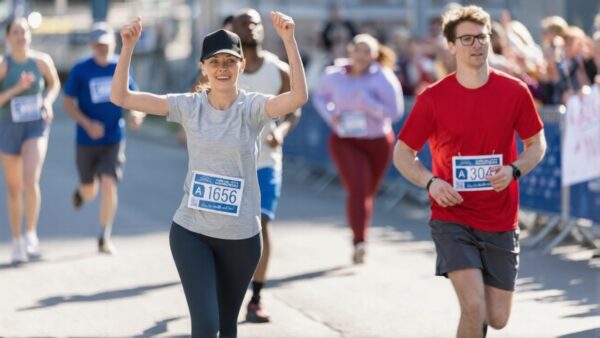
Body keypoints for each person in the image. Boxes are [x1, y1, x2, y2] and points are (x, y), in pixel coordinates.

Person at [110, 12, 307, 337]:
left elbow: (298, 98)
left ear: (240, 66)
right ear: (203, 68)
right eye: (214, 62)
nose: (222, 69)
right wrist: (127, 47)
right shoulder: (189, 106)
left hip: (242, 238)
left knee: (227, 328)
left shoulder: (252, 107)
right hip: (192, 232)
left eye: (229, 62)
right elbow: (122, 97)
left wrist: (289, 40)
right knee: (206, 325)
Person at [393, 5, 546, 338]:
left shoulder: (514, 91)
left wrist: (514, 170)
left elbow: (536, 144)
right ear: (451, 46)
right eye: (466, 39)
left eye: (482, 37)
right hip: (452, 216)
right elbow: (403, 154)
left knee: (497, 316)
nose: (476, 45)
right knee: (473, 307)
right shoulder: (433, 98)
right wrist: (430, 182)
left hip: (501, 219)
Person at [231, 8, 302, 323]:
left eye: (255, 23)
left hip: (266, 162)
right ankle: (228, 289)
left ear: (263, 29)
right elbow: (197, 100)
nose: (250, 28)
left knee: (261, 225)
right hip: (229, 164)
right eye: (243, 24)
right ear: (232, 29)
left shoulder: (278, 69)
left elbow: (295, 107)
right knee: (230, 231)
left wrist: (282, 131)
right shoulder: (223, 68)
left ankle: (256, 298)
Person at [313, 33, 404, 264]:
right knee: (358, 189)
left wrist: (369, 104)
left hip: (377, 141)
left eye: (367, 51)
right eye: (358, 50)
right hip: (345, 140)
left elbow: (395, 113)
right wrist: (331, 116)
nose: (362, 56)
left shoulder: (383, 77)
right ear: (350, 51)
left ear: (375, 55)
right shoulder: (334, 75)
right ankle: (359, 241)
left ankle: (360, 233)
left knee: (368, 192)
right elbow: (319, 97)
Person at [63, 22, 146, 254]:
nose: (103, 48)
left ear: (113, 43)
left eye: (106, 44)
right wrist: (87, 123)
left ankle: (104, 236)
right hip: (86, 140)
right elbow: (67, 102)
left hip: (113, 137)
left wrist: (137, 114)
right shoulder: (81, 70)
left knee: (109, 184)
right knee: (91, 191)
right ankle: (82, 191)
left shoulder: (121, 65)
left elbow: (134, 96)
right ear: (91, 45)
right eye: (98, 44)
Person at [0, 17, 60, 264]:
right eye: (16, 32)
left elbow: (54, 85)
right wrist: (16, 88)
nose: (21, 36)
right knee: (15, 189)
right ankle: (16, 241)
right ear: (8, 37)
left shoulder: (42, 61)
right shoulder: (4, 65)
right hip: (8, 127)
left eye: (24, 31)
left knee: (30, 179)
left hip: (36, 125)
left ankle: (31, 234)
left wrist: (46, 101)